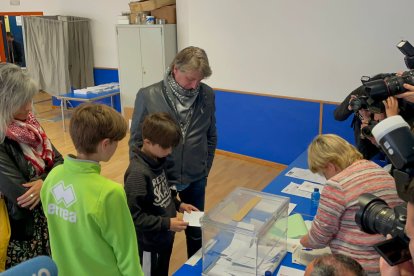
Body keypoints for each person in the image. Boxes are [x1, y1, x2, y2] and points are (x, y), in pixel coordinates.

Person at [129, 46, 217, 258]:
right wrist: (144, 177)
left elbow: (211, 135)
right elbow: (136, 142)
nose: (194, 85)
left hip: (196, 177)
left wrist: (204, 170)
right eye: (190, 79)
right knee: (161, 233)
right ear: (175, 69)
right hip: (160, 179)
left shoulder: (207, 95)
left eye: (200, 80)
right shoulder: (148, 95)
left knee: (196, 232)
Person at [40, 103, 143, 276]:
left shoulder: (53, 177)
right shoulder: (110, 193)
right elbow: (127, 255)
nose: (118, 146)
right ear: (105, 144)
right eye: (116, 141)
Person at [300, 134, 402, 275]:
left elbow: (318, 238)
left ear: (330, 166)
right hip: (388, 264)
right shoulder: (376, 168)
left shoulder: (337, 184)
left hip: (356, 268)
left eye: (323, 172)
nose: (326, 178)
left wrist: (302, 241)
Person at [0, 63, 63, 268]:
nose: (29, 107)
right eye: (21, 102)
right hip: (21, 233)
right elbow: (22, 196)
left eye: (29, 99)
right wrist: (50, 179)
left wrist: (44, 183)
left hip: (47, 221)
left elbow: (60, 161)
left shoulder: (31, 125)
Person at [125, 112, 198, 276]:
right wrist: (167, 224)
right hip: (149, 244)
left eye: (172, 146)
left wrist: (179, 205)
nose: (170, 151)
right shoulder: (137, 174)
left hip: (164, 237)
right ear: (147, 142)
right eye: (166, 147)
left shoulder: (158, 161)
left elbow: (164, 192)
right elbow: (135, 216)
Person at [333, 85, 380, 159]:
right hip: (363, 141)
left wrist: (367, 119)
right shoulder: (361, 91)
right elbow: (337, 115)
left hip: (379, 143)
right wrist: (350, 107)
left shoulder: (385, 103)